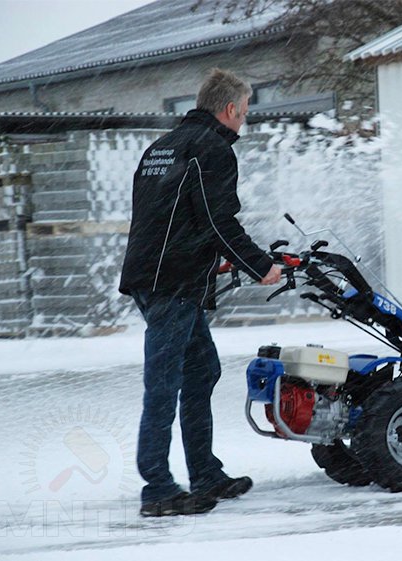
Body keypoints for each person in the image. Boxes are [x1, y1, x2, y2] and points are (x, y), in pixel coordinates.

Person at [119, 68, 281, 517]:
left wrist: (216, 258)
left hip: (155, 276)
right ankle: (157, 488)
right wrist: (260, 265)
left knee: (200, 371)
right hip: (174, 283)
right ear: (229, 109)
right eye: (244, 113)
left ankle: (205, 473)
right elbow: (217, 220)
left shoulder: (162, 146)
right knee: (165, 383)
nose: (243, 122)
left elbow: (169, 217)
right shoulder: (212, 149)